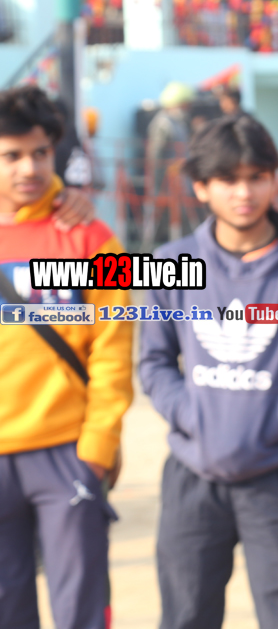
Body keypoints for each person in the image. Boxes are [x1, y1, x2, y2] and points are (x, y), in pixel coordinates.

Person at [139, 114, 278, 629]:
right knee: (184, 616)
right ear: (201, 186)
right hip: (192, 473)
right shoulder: (170, 262)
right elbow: (153, 361)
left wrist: (277, 422)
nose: (244, 192)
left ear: (276, 178)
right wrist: (192, 416)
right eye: (227, 179)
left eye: (257, 177)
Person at [0, 85, 132, 629]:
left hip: (67, 452)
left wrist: (97, 449)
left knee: (81, 611)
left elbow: (114, 348)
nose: (28, 168)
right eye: (11, 155)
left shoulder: (93, 238)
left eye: (40, 152)